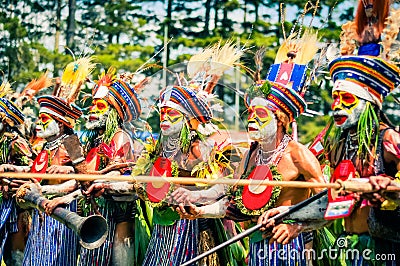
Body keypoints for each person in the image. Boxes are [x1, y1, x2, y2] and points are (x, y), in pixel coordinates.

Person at [178, 31, 327, 266]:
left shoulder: (298, 154)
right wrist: (197, 204)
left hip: (290, 248)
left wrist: (295, 224)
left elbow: (328, 201)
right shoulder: (252, 155)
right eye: (250, 114)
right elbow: (226, 193)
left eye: (260, 115)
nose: (251, 121)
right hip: (257, 246)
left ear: (280, 119)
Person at [135, 42, 242, 266]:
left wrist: (195, 196)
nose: (163, 119)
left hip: (195, 233)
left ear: (188, 120)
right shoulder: (158, 148)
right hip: (163, 231)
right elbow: (143, 183)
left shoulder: (206, 147)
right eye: (162, 113)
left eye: (171, 114)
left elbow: (222, 188)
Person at [324, 1, 400, 265]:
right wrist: (290, 218)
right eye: (334, 99)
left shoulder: (389, 140)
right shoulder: (340, 145)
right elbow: (328, 198)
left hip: (383, 250)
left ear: (368, 102)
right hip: (347, 249)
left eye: (346, 98)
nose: (337, 106)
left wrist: (389, 187)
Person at [0, 84, 34, 265]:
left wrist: (9, 170)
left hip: (14, 207)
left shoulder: (16, 142)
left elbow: (34, 169)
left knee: (15, 258)